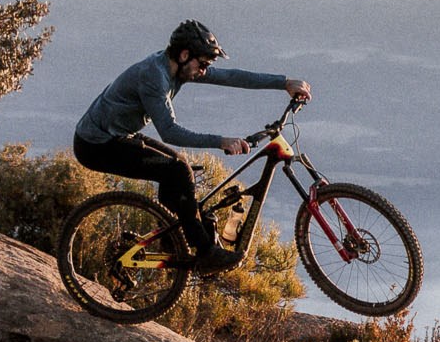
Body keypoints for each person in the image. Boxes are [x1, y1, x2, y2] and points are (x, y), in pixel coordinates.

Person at [72, 20, 311, 273]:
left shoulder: (177, 67)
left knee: (179, 166)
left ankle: (172, 236)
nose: (204, 71)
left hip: (119, 135)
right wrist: (221, 141)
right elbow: (170, 132)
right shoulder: (154, 77)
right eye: (203, 64)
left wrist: (284, 83)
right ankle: (206, 252)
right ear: (185, 55)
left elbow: (231, 76)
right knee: (176, 170)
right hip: (96, 145)